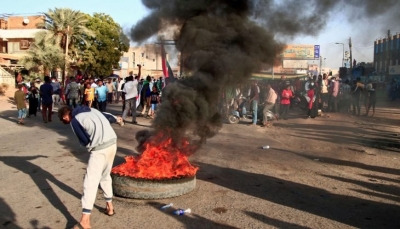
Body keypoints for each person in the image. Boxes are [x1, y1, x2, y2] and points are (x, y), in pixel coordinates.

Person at [58, 106, 119, 229]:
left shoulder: (75, 119)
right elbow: (109, 117)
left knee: (90, 182)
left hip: (100, 149)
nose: (67, 122)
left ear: (65, 116)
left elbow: (85, 140)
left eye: (65, 120)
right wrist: (118, 119)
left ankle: (85, 221)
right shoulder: (92, 109)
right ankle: (110, 207)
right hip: (113, 143)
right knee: (105, 176)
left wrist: (90, 145)